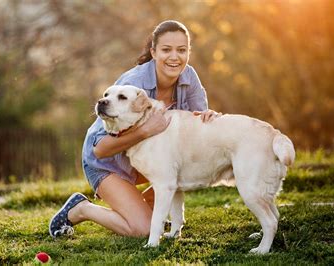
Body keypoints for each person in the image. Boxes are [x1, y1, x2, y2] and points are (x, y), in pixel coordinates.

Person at [49, 20, 221, 238]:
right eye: (166, 50)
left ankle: (135, 207)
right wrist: (144, 131)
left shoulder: (189, 76)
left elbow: (198, 126)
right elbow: (99, 150)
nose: (174, 57)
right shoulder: (134, 83)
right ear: (154, 52)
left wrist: (209, 117)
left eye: (181, 50)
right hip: (107, 164)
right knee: (142, 229)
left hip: (145, 163)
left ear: (189, 52)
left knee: (181, 172)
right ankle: (82, 208)